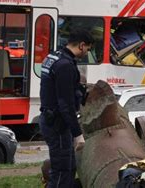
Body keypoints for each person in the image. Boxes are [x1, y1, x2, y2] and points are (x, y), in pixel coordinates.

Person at [39, 29, 93, 188]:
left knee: (69, 168)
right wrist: (77, 134)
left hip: (51, 119)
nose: (87, 53)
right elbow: (66, 104)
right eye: (88, 49)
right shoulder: (65, 66)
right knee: (62, 171)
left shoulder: (53, 57)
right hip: (58, 125)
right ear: (82, 46)